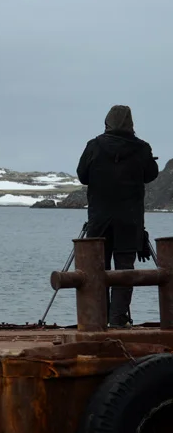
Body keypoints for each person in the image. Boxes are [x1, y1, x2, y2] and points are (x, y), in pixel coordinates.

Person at [77, 104, 159, 327]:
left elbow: (82, 176)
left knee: (96, 270)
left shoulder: (94, 146)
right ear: (130, 123)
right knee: (125, 271)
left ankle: (98, 321)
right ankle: (118, 320)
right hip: (130, 221)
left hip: (99, 221)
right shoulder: (141, 148)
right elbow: (151, 174)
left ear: (107, 122)